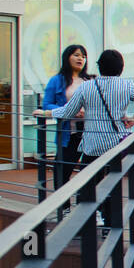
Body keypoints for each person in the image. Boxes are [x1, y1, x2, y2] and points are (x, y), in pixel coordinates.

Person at [35, 49, 134, 165]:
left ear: (100, 66)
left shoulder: (86, 86)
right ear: (121, 68)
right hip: (117, 143)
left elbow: (67, 112)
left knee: (91, 182)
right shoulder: (127, 85)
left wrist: (45, 113)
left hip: (93, 145)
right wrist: (133, 119)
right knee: (113, 181)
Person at [42, 45, 90, 189]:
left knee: (90, 172)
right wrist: (67, 111)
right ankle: (64, 208)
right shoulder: (57, 80)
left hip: (90, 131)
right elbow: (47, 104)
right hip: (69, 133)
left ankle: (90, 207)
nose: (80, 58)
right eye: (76, 55)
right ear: (67, 57)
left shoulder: (89, 80)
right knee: (61, 171)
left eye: (83, 56)